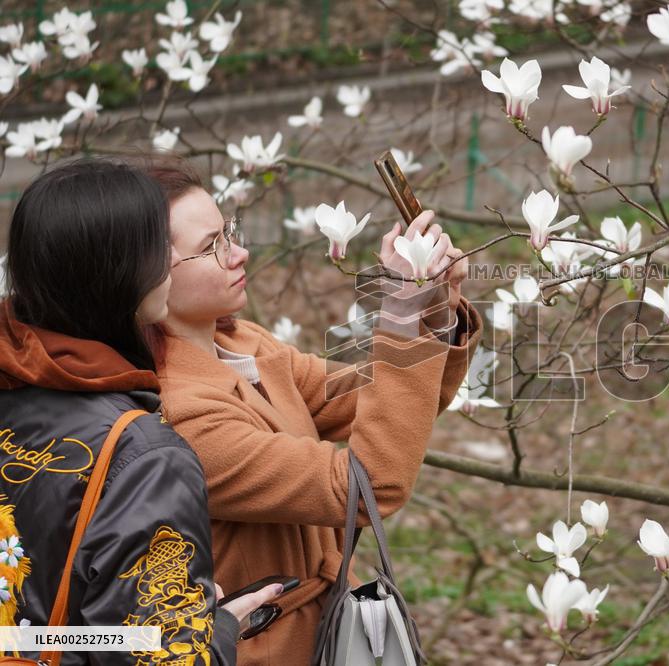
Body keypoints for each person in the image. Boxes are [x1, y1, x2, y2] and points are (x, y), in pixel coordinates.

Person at [145, 157, 483, 664]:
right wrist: (398, 316)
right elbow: (365, 487)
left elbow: (375, 399)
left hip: (328, 629)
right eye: (211, 247)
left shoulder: (240, 343)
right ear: (147, 279)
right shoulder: (180, 417)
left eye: (229, 232)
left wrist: (430, 309)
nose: (240, 252)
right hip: (269, 647)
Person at [0, 158, 281, 664]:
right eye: (158, 247)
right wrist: (218, 631)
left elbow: (32, 634)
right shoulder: (145, 457)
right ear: (118, 273)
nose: (169, 263)